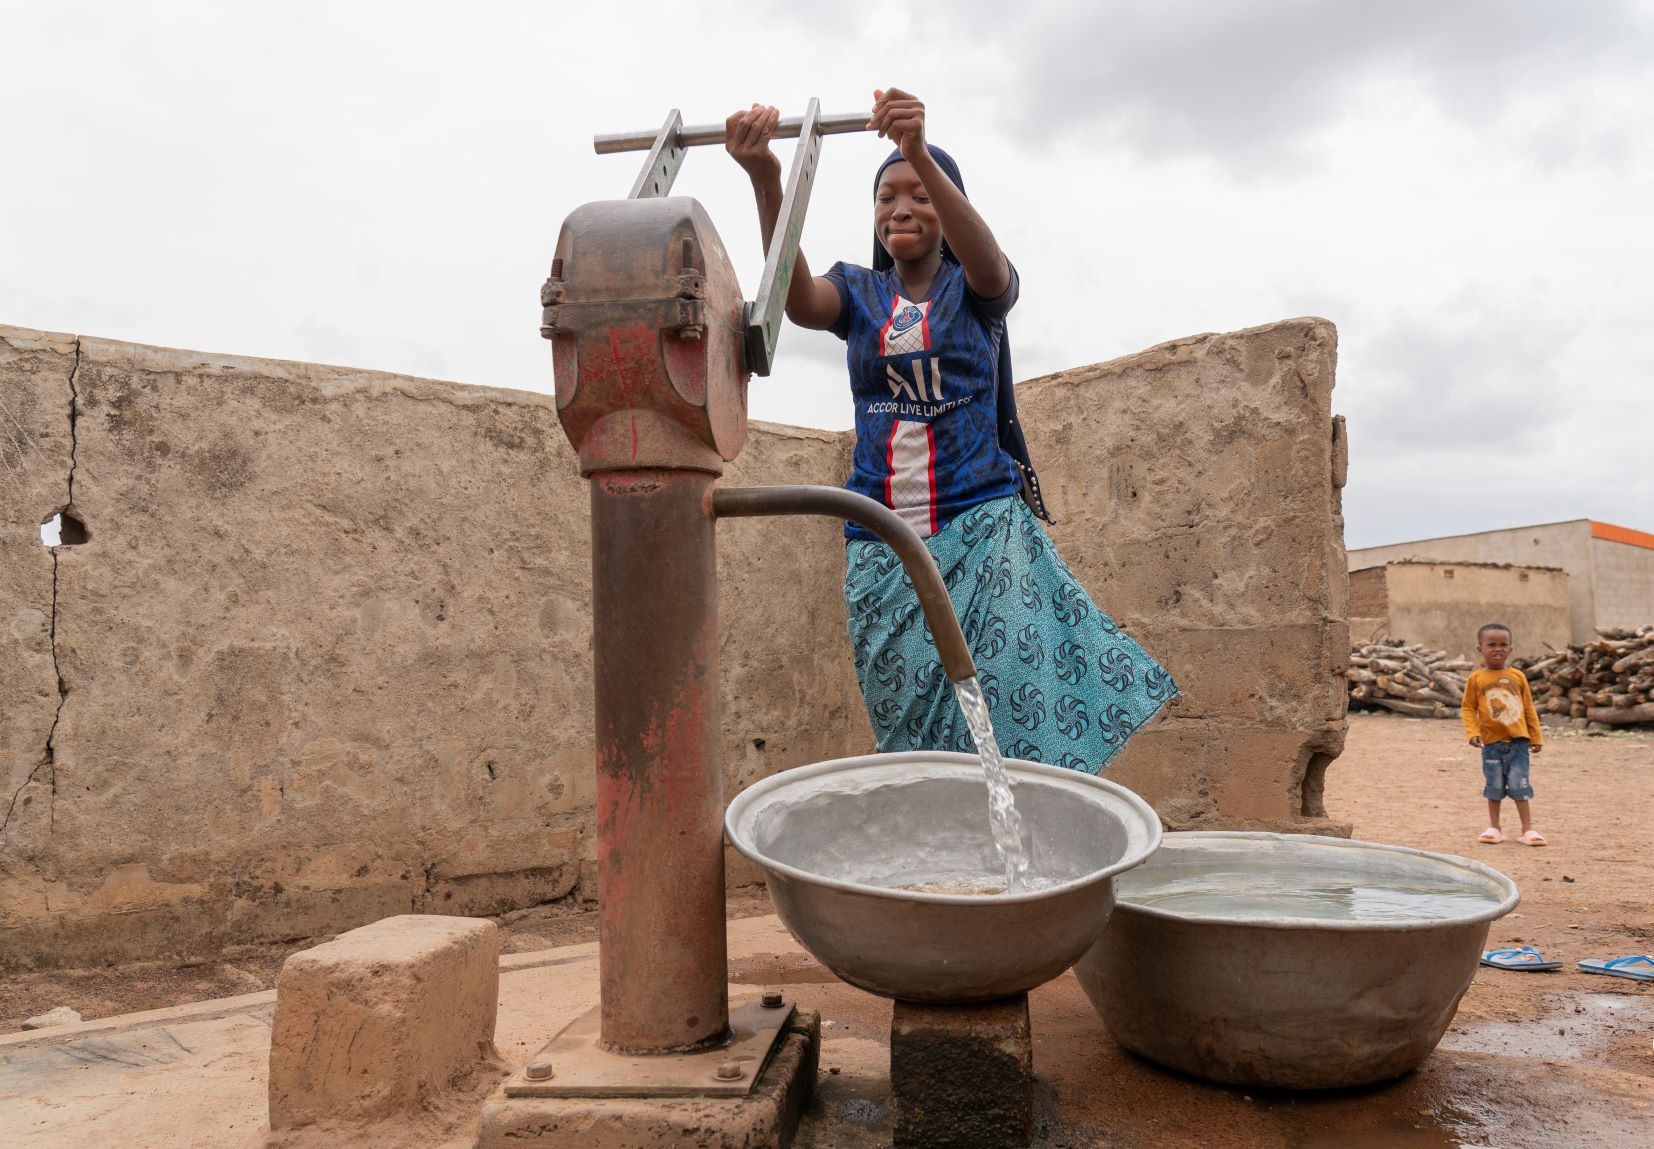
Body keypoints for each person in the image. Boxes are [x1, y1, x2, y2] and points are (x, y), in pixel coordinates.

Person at [724, 88, 1176, 772]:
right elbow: (796, 300)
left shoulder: (977, 292)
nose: (901, 207)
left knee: (1005, 714)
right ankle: (939, 862)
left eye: (921, 195)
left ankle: (1018, 857)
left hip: (983, 531)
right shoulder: (858, 294)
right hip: (882, 542)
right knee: (905, 724)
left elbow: (992, 267)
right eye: (887, 197)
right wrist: (767, 180)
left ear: (949, 207)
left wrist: (916, 152)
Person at [1462, 623, 1546, 845]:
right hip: (1491, 743)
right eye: (1491, 645)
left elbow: (1528, 707)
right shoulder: (1476, 679)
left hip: (1519, 743)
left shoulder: (1518, 676)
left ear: (1511, 648)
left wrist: (1535, 737)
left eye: (1503, 645)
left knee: (1520, 784)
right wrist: (1473, 732)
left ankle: (1527, 829)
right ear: (1480, 648)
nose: (1497, 649)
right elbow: (1468, 707)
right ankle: (1495, 828)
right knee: (1494, 786)